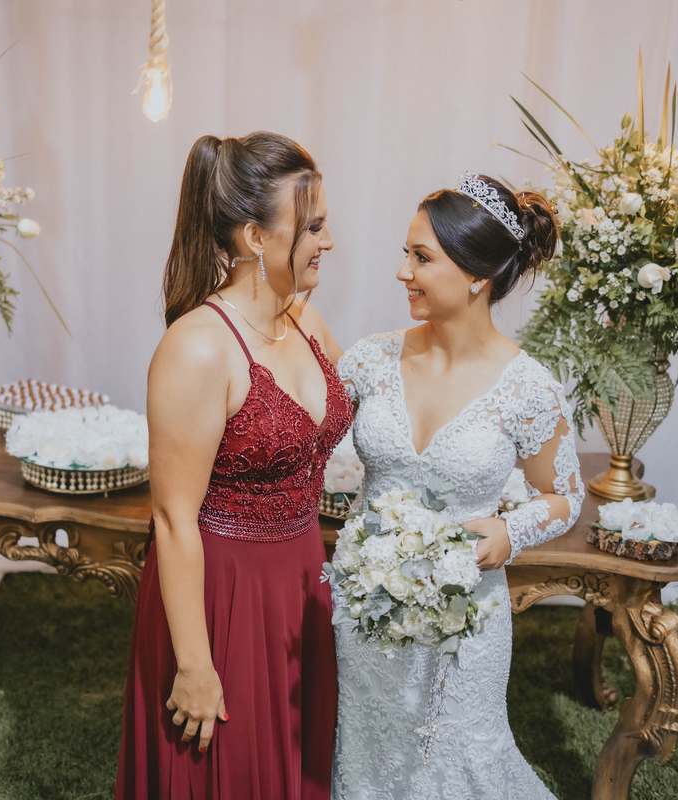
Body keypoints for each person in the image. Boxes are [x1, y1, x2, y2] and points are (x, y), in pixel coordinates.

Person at [115, 131, 352, 799]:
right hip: (225, 592)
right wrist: (194, 663)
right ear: (254, 237)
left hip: (303, 576)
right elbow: (172, 518)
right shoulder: (197, 348)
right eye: (313, 227)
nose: (328, 241)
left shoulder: (305, 322)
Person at [331, 173, 584, 799]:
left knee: (458, 759)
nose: (403, 272)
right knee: (364, 748)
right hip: (364, 608)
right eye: (406, 253)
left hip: (465, 617)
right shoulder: (368, 360)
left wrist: (509, 531)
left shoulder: (528, 389)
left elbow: (564, 496)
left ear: (478, 274)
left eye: (422, 257)